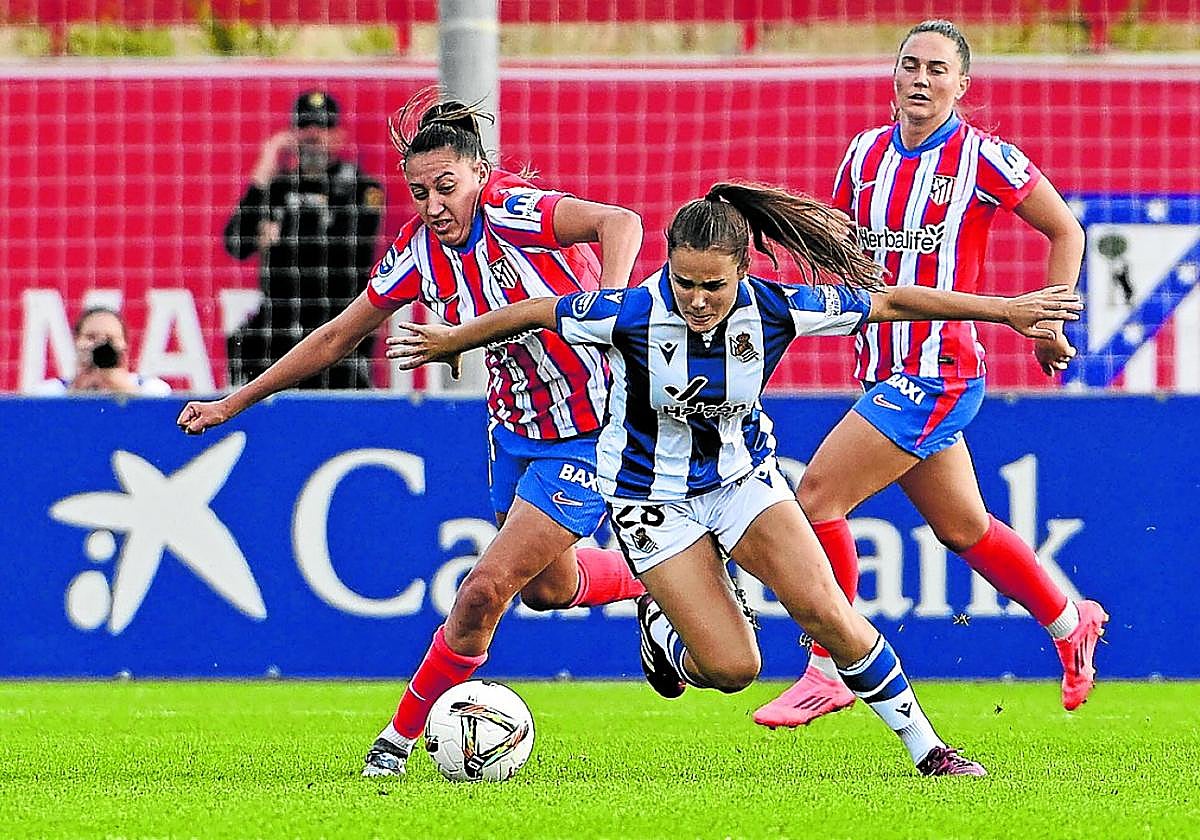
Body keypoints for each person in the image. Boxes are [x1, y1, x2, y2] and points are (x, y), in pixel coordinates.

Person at [387, 181, 1083, 776]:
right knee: (733, 670)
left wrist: (1008, 310)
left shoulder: (778, 308)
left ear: (743, 272)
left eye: (713, 285)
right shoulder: (629, 312)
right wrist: (451, 339)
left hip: (744, 482)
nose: (696, 299)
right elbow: (540, 312)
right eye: (684, 282)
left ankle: (930, 750)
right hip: (652, 500)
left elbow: (893, 301)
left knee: (827, 612)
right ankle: (664, 633)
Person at [178, 91, 646, 778]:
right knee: (548, 590)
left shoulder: (516, 210)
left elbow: (621, 222)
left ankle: (393, 745)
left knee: (483, 590)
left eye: (446, 187)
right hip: (515, 433)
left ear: (479, 174)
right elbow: (339, 335)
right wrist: (235, 401)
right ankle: (662, 579)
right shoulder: (419, 253)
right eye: (420, 191)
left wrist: (606, 300)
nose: (433, 205)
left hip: (589, 431)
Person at [753, 19, 1108, 730]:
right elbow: (848, 251)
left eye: (937, 69)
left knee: (817, 497)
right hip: (879, 368)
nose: (920, 78)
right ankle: (1071, 620)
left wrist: (1051, 321)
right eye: (910, 64)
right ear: (894, 75)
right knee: (964, 527)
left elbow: (1065, 228)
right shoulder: (862, 155)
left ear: (962, 85)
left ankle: (831, 667)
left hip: (938, 370)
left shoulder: (984, 159)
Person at [224, 90, 384, 389]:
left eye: (322, 126)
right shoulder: (276, 187)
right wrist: (262, 174)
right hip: (279, 326)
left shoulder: (361, 187)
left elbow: (349, 253)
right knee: (242, 341)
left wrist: (281, 236)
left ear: (337, 135)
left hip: (335, 326)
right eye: (305, 125)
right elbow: (236, 243)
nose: (313, 134)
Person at [35, 306, 170, 396]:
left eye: (110, 339)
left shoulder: (153, 388)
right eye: (91, 337)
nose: (100, 345)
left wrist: (120, 386)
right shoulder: (50, 392)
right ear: (76, 342)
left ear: (125, 348)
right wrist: (77, 390)